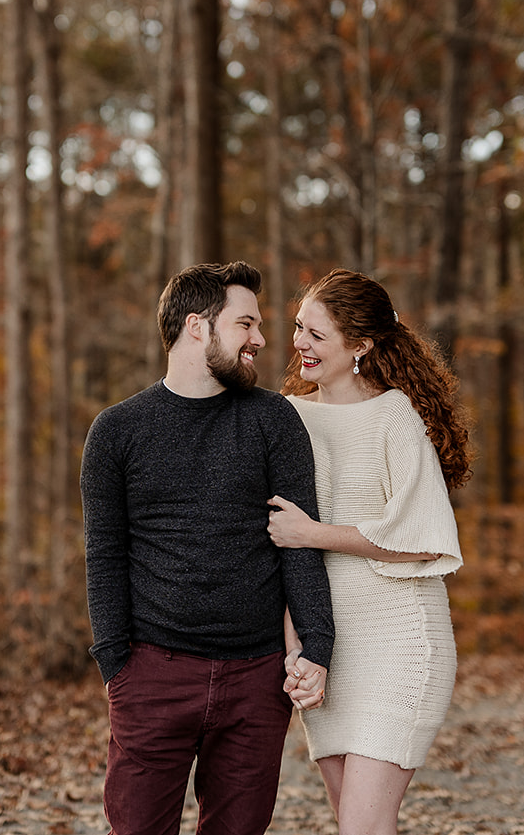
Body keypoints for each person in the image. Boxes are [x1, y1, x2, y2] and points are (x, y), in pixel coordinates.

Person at [81, 260, 336, 835]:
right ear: (197, 325)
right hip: (151, 675)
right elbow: (105, 554)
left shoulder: (275, 420)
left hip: (256, 681)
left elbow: (299, 542)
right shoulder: (117, 431)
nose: (262, 339)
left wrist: (316, 645)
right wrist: (116, 666)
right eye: (246, 323)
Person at [267, 268, 470, 835]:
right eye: (299, 328)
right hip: (325, 644)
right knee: (353, 821)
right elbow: (279, 550)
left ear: (359, 345)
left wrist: (314, 533)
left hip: (400, 641)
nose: (300, 343)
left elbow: (417, 541)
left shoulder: (395, 418)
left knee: (362, 826)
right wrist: (298, 649)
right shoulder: (289, 415)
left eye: (317, 334)